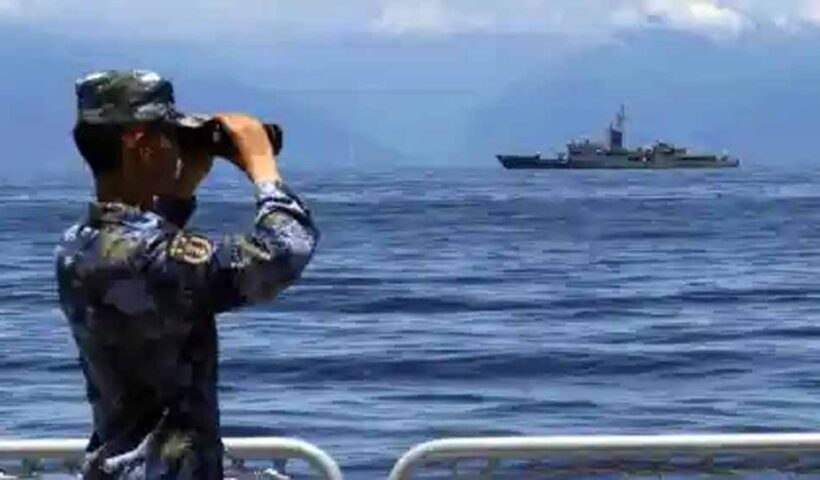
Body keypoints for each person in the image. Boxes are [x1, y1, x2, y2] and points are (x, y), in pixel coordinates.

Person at [55, 70, 319, 479]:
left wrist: (180, 190)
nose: (175, 148)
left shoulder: (77, 244)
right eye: (168, 136)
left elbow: (145, 258)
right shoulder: (150, 258)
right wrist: (263, 167)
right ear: (140, 145)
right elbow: (283, 252)